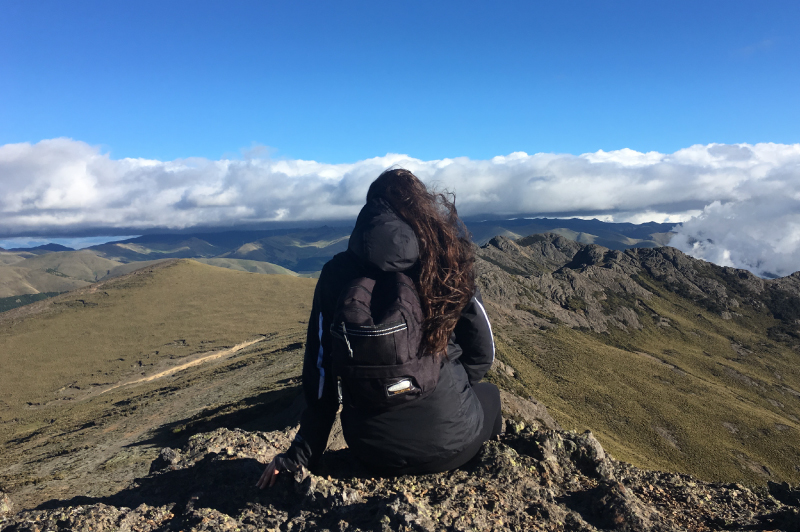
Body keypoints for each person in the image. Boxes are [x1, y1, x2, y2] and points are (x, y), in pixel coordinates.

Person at [257, 168, 501, 488]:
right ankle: (486, 476)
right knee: (490, 395)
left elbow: (320, 379)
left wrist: (299, 457)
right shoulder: (444, 262)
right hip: (452, 442)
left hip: (372, 451)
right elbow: (483, 352)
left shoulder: (335, 274)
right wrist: (447, 382)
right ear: (421, 209)